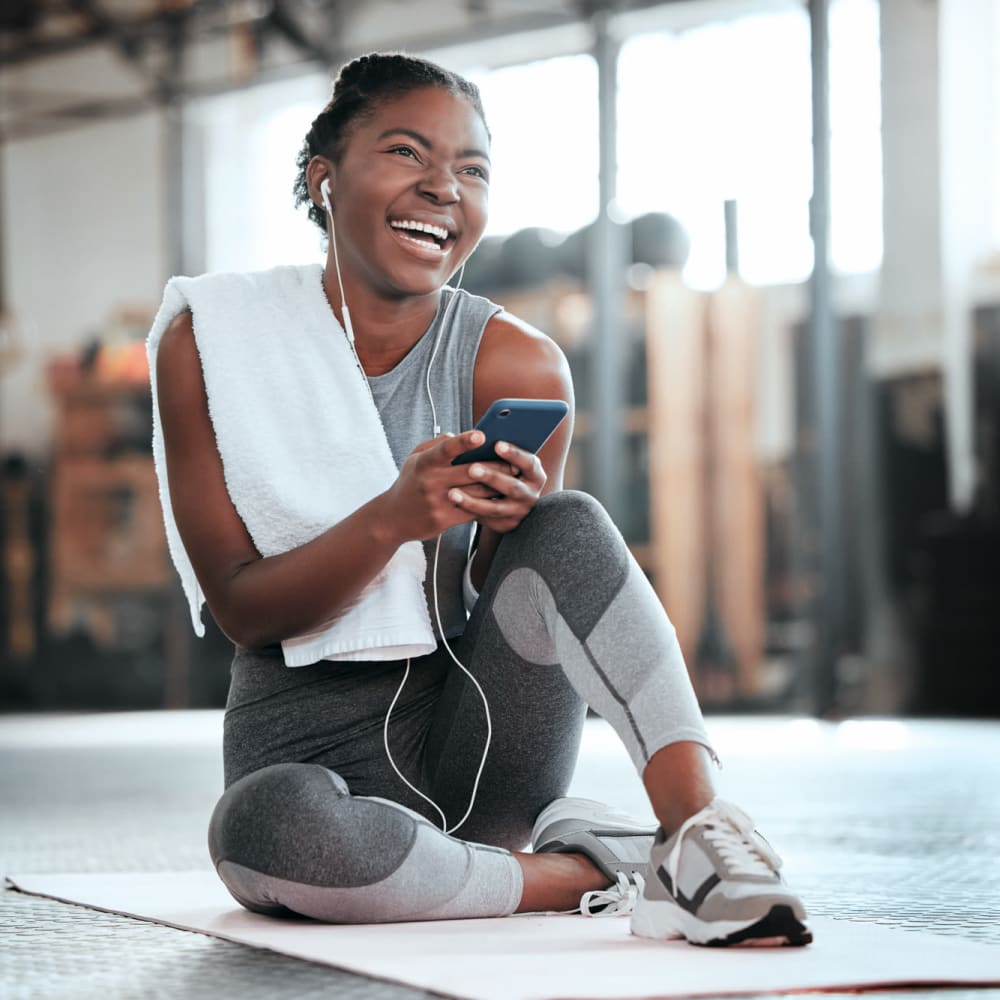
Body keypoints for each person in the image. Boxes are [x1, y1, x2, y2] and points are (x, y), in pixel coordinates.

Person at [148, 51, 811, 948]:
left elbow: (517, 611)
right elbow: (241, 609)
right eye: (406, 154)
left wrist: (504, 530)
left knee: (565, 521)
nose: (442, 188)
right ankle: (580, 873)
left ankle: (700, 838)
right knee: (261, 831)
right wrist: (394, 519)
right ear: (325, 178)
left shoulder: (518, 361)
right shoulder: (213, 341)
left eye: (471, 169)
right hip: (305, 764)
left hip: (480, 752)